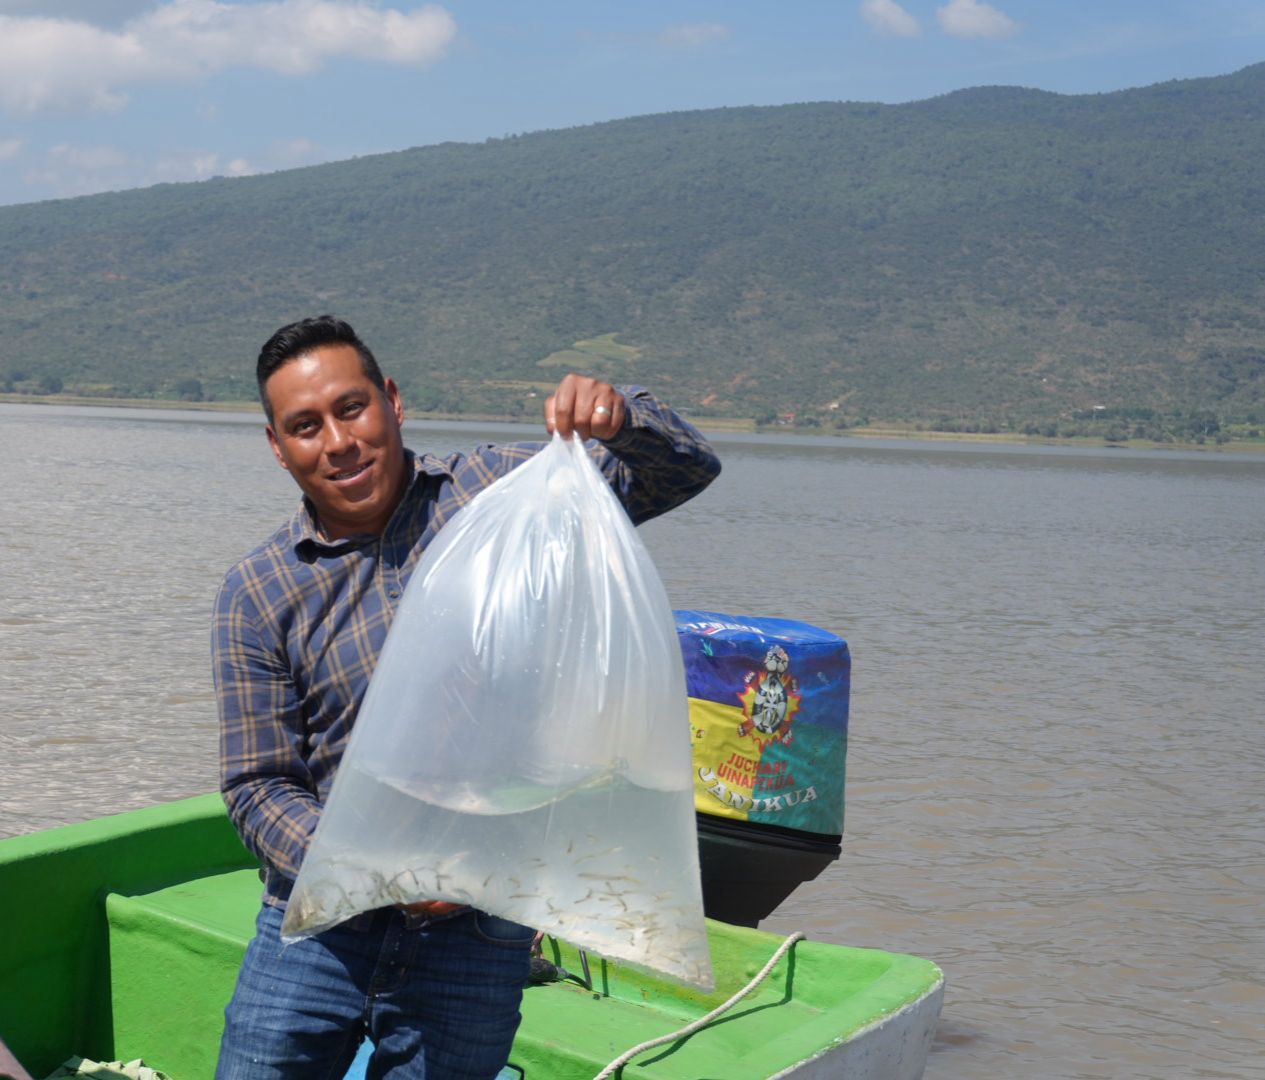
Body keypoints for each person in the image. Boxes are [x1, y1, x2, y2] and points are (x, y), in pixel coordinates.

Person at [212, 315, 721, 1078]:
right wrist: (368, 866)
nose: (338, 442)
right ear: (278, 446)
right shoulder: (257, 592)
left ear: (391, 400)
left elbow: (680, 469)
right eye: (305, 426)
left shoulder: (505, 495)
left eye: (351, 408)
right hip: (317, 923)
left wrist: (620, 417)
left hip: (478, 926)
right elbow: (257, 784)